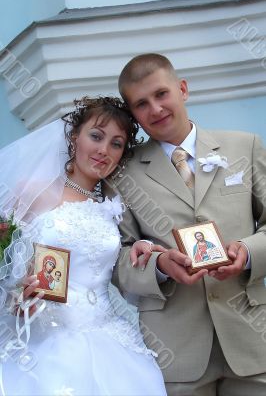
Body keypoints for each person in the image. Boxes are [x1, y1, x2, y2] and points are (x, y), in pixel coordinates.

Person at [106, 53, 266, 395]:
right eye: (141, 104)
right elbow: (116, 261)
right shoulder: (122, 172)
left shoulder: (245, 146)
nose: (156, 109)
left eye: (161, 94)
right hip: (175, 351)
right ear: (132, 113)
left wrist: (248, 252)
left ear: (182, 89)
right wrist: (160, 266)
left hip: (253, 342)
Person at [0, 96, 167, 395]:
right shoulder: (32, 191)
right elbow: (6, 263)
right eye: (96, 136)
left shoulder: (114, 207)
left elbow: (112, 271)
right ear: (75, 137)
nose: (104, 150)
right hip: (44, 342)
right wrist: (18, 297)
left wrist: (137, 250)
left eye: (116, 143)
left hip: (111, 340)